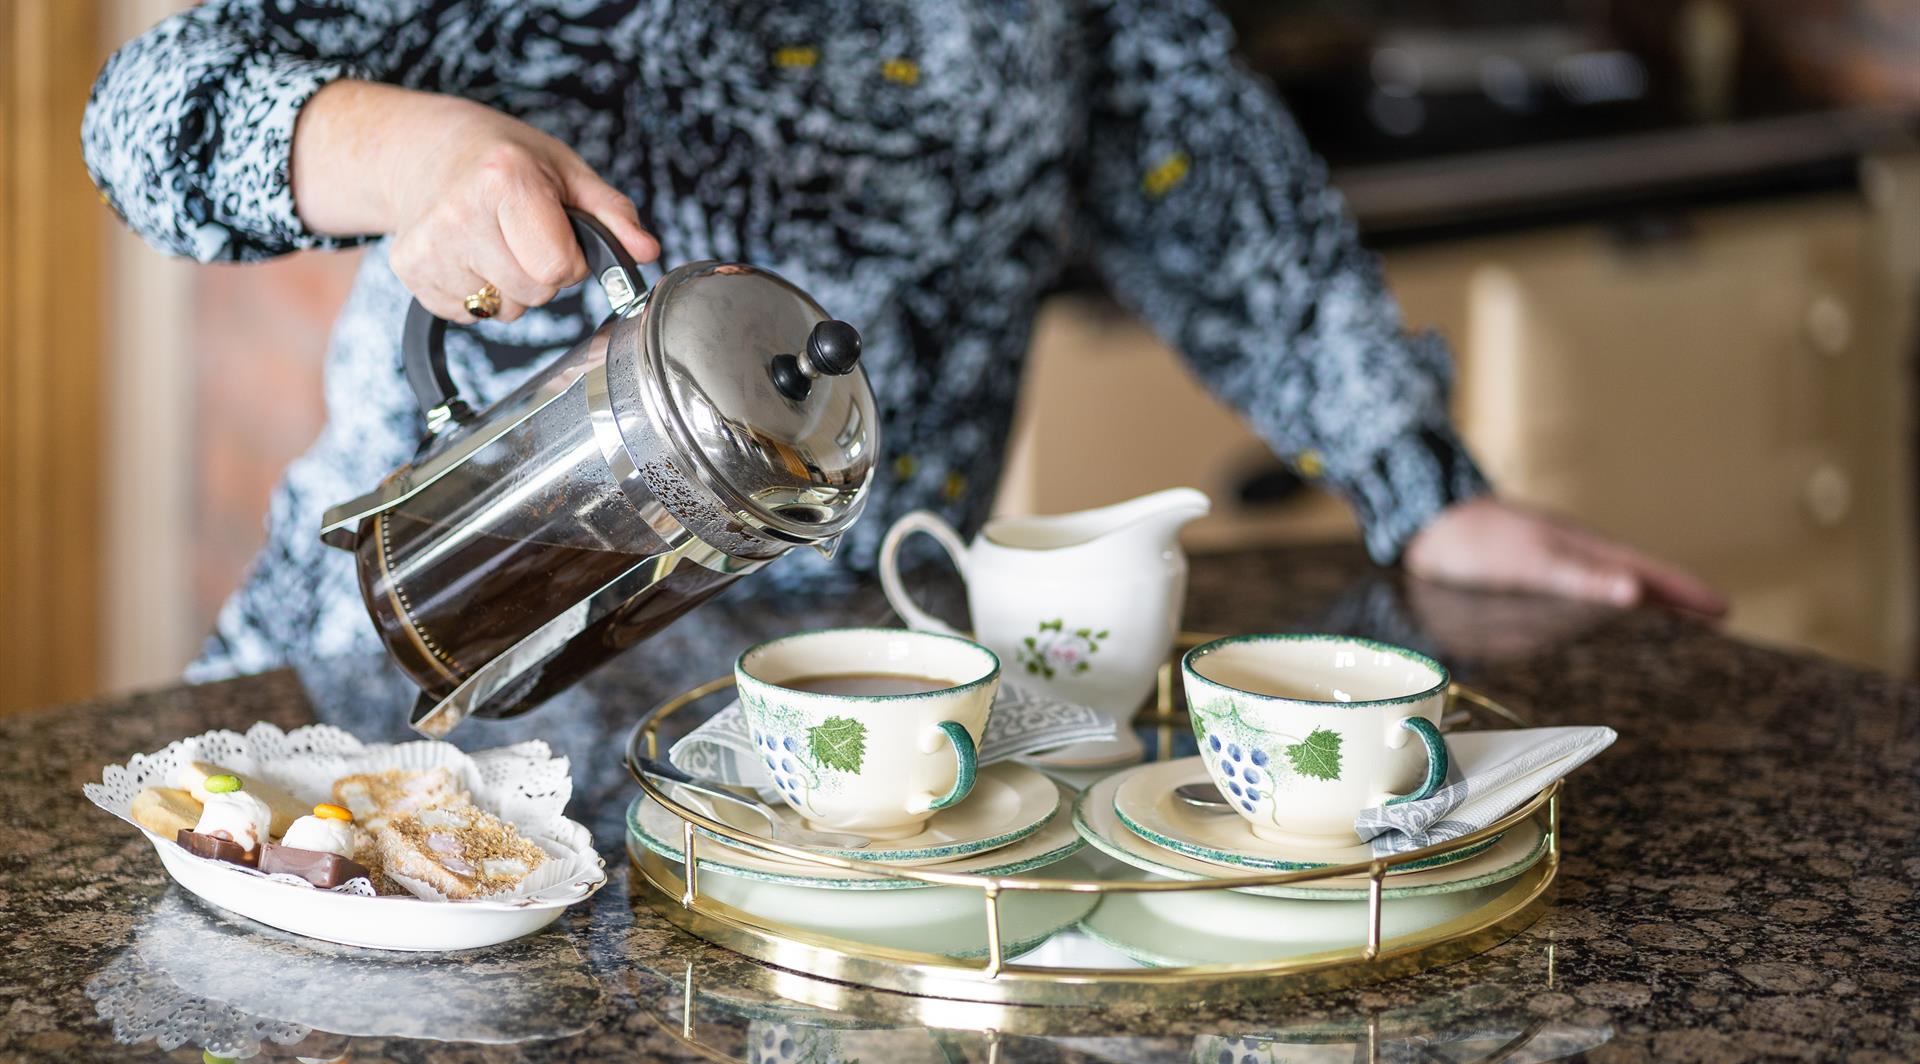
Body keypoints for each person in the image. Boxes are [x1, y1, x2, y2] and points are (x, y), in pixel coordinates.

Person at [84, 0, 1725, 681]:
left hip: (862, 703)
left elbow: (1192, 162)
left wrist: (1418, 485)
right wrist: (419, 157)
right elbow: (157, 108)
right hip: (443, 665)